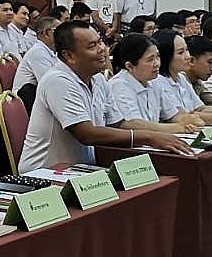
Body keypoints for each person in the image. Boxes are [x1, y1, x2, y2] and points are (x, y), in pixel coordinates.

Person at [18, 22, 191, 172]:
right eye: (92, 46)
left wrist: (163, 133)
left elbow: (119, 124)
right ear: (69, 56)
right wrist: (149, 137)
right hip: (44, 172)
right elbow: (86, 134)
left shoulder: (98, 79)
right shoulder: (57, 80)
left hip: (83, 169)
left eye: (100, 41)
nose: (102, 49)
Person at [106, 34, 193, 131]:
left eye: (158, 56)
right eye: (150, 60)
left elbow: (172, 115)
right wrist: (178, 127)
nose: (157, 64)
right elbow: (134, 124)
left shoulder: (155, 80)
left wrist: (189, 122)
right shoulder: (119, 85)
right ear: (129, 66)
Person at [152, 30, 212, 127]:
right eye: (181, 52)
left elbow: (200, 108)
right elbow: (185, 116)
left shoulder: (181, 78)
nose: (188, 57)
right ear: (166, 56)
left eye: (187, 50)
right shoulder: (159, 81)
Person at [12, 15, 61, 109]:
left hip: (39, 97)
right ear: (47, 33)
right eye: (59, 30)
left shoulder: (53, 51)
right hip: (24, 100)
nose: (64, 35)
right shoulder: (38, 52)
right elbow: (49, 84)